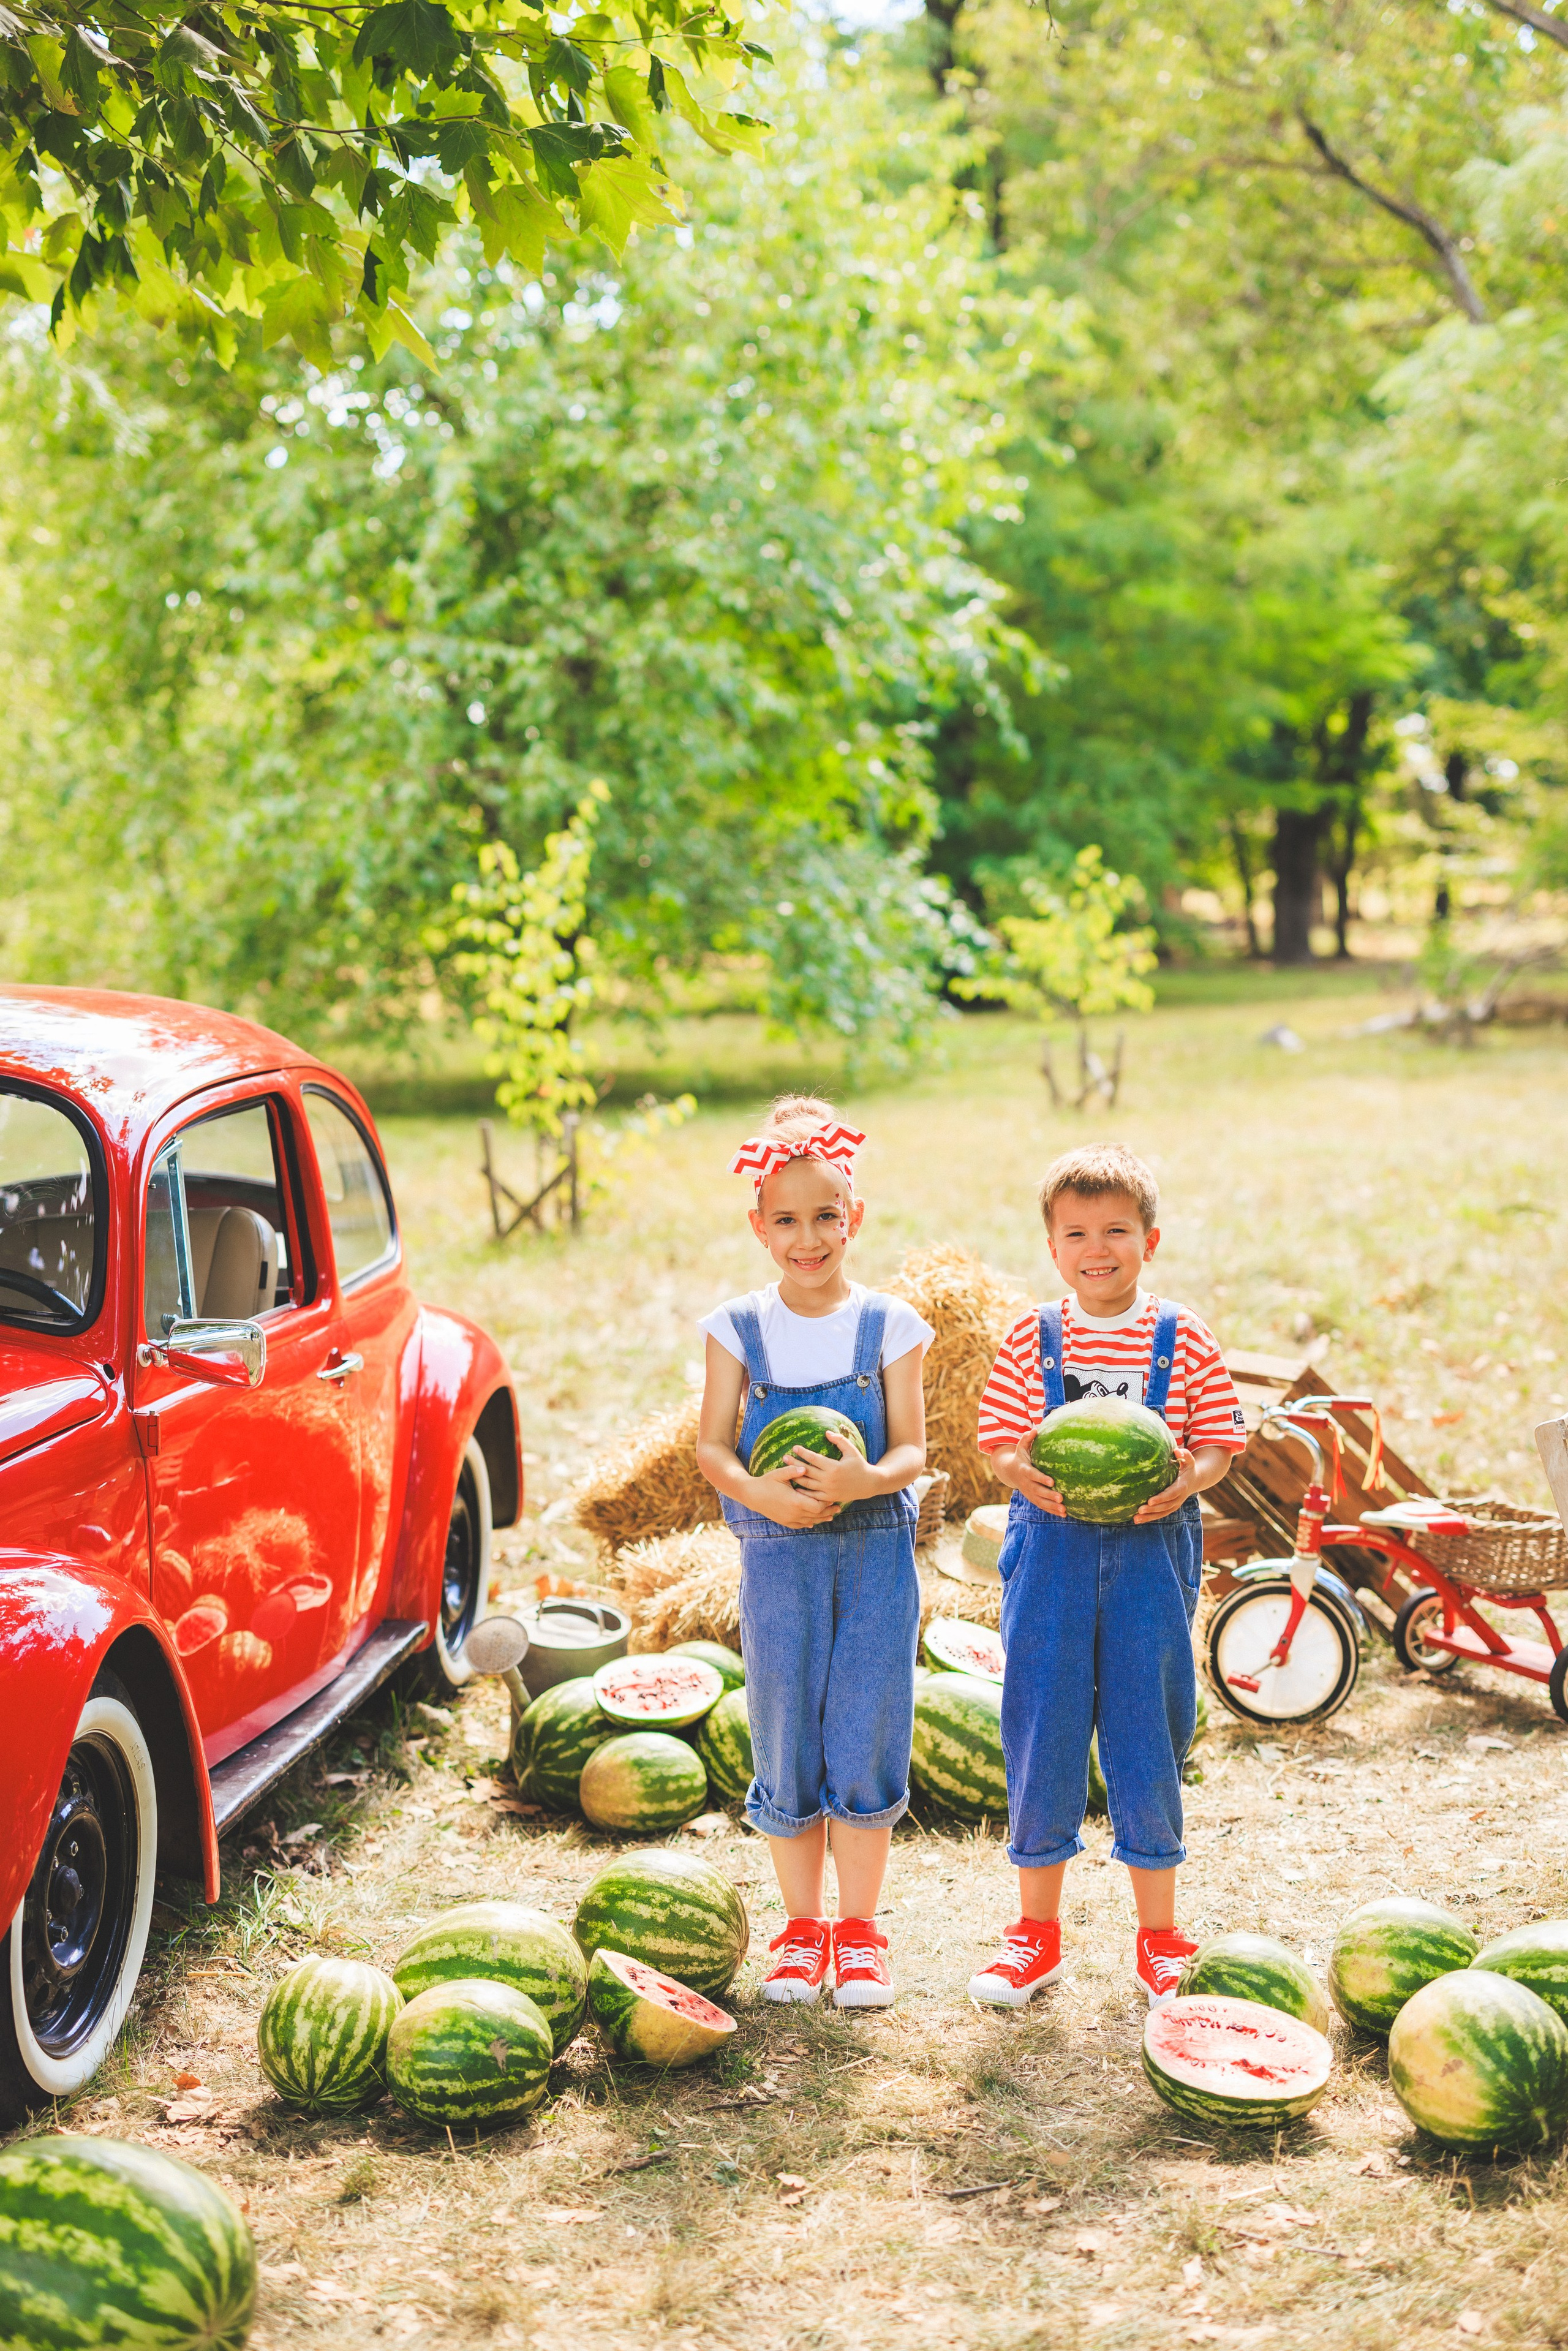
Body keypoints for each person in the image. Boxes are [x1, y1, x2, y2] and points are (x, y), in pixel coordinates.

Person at [967, 1142, 1246, 2009]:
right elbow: (998, 1437)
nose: (1099, 1247)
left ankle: (1159, 1938)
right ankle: (1035, 1936)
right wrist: (1023, 1474)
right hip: (1050, 1554)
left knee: (1147, 1732)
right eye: (1078, 1232)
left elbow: (1220, 1444)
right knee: (1042, 1728)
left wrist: (1184, 1483)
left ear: (1149, 1241)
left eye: (1117, 1230)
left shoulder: (1181, 1335)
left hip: (1149, 1562)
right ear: (1054, 1248)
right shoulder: (1033, 1335)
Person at [695, 1095, 932, 2009]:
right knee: (785, 1733)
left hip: (874, 1556)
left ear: (855, 1217)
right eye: (787, 1219)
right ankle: (801, 1932)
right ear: (759, 1225)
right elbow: (713, 1444)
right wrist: (757, 1494)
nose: (808, 1237)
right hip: (776, 1562)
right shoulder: (736, 1328)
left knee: (867, 1730)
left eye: (826, 1215)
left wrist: (861, 1482)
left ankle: (860, 1933)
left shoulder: (892, 1326)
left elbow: (912, 1449)